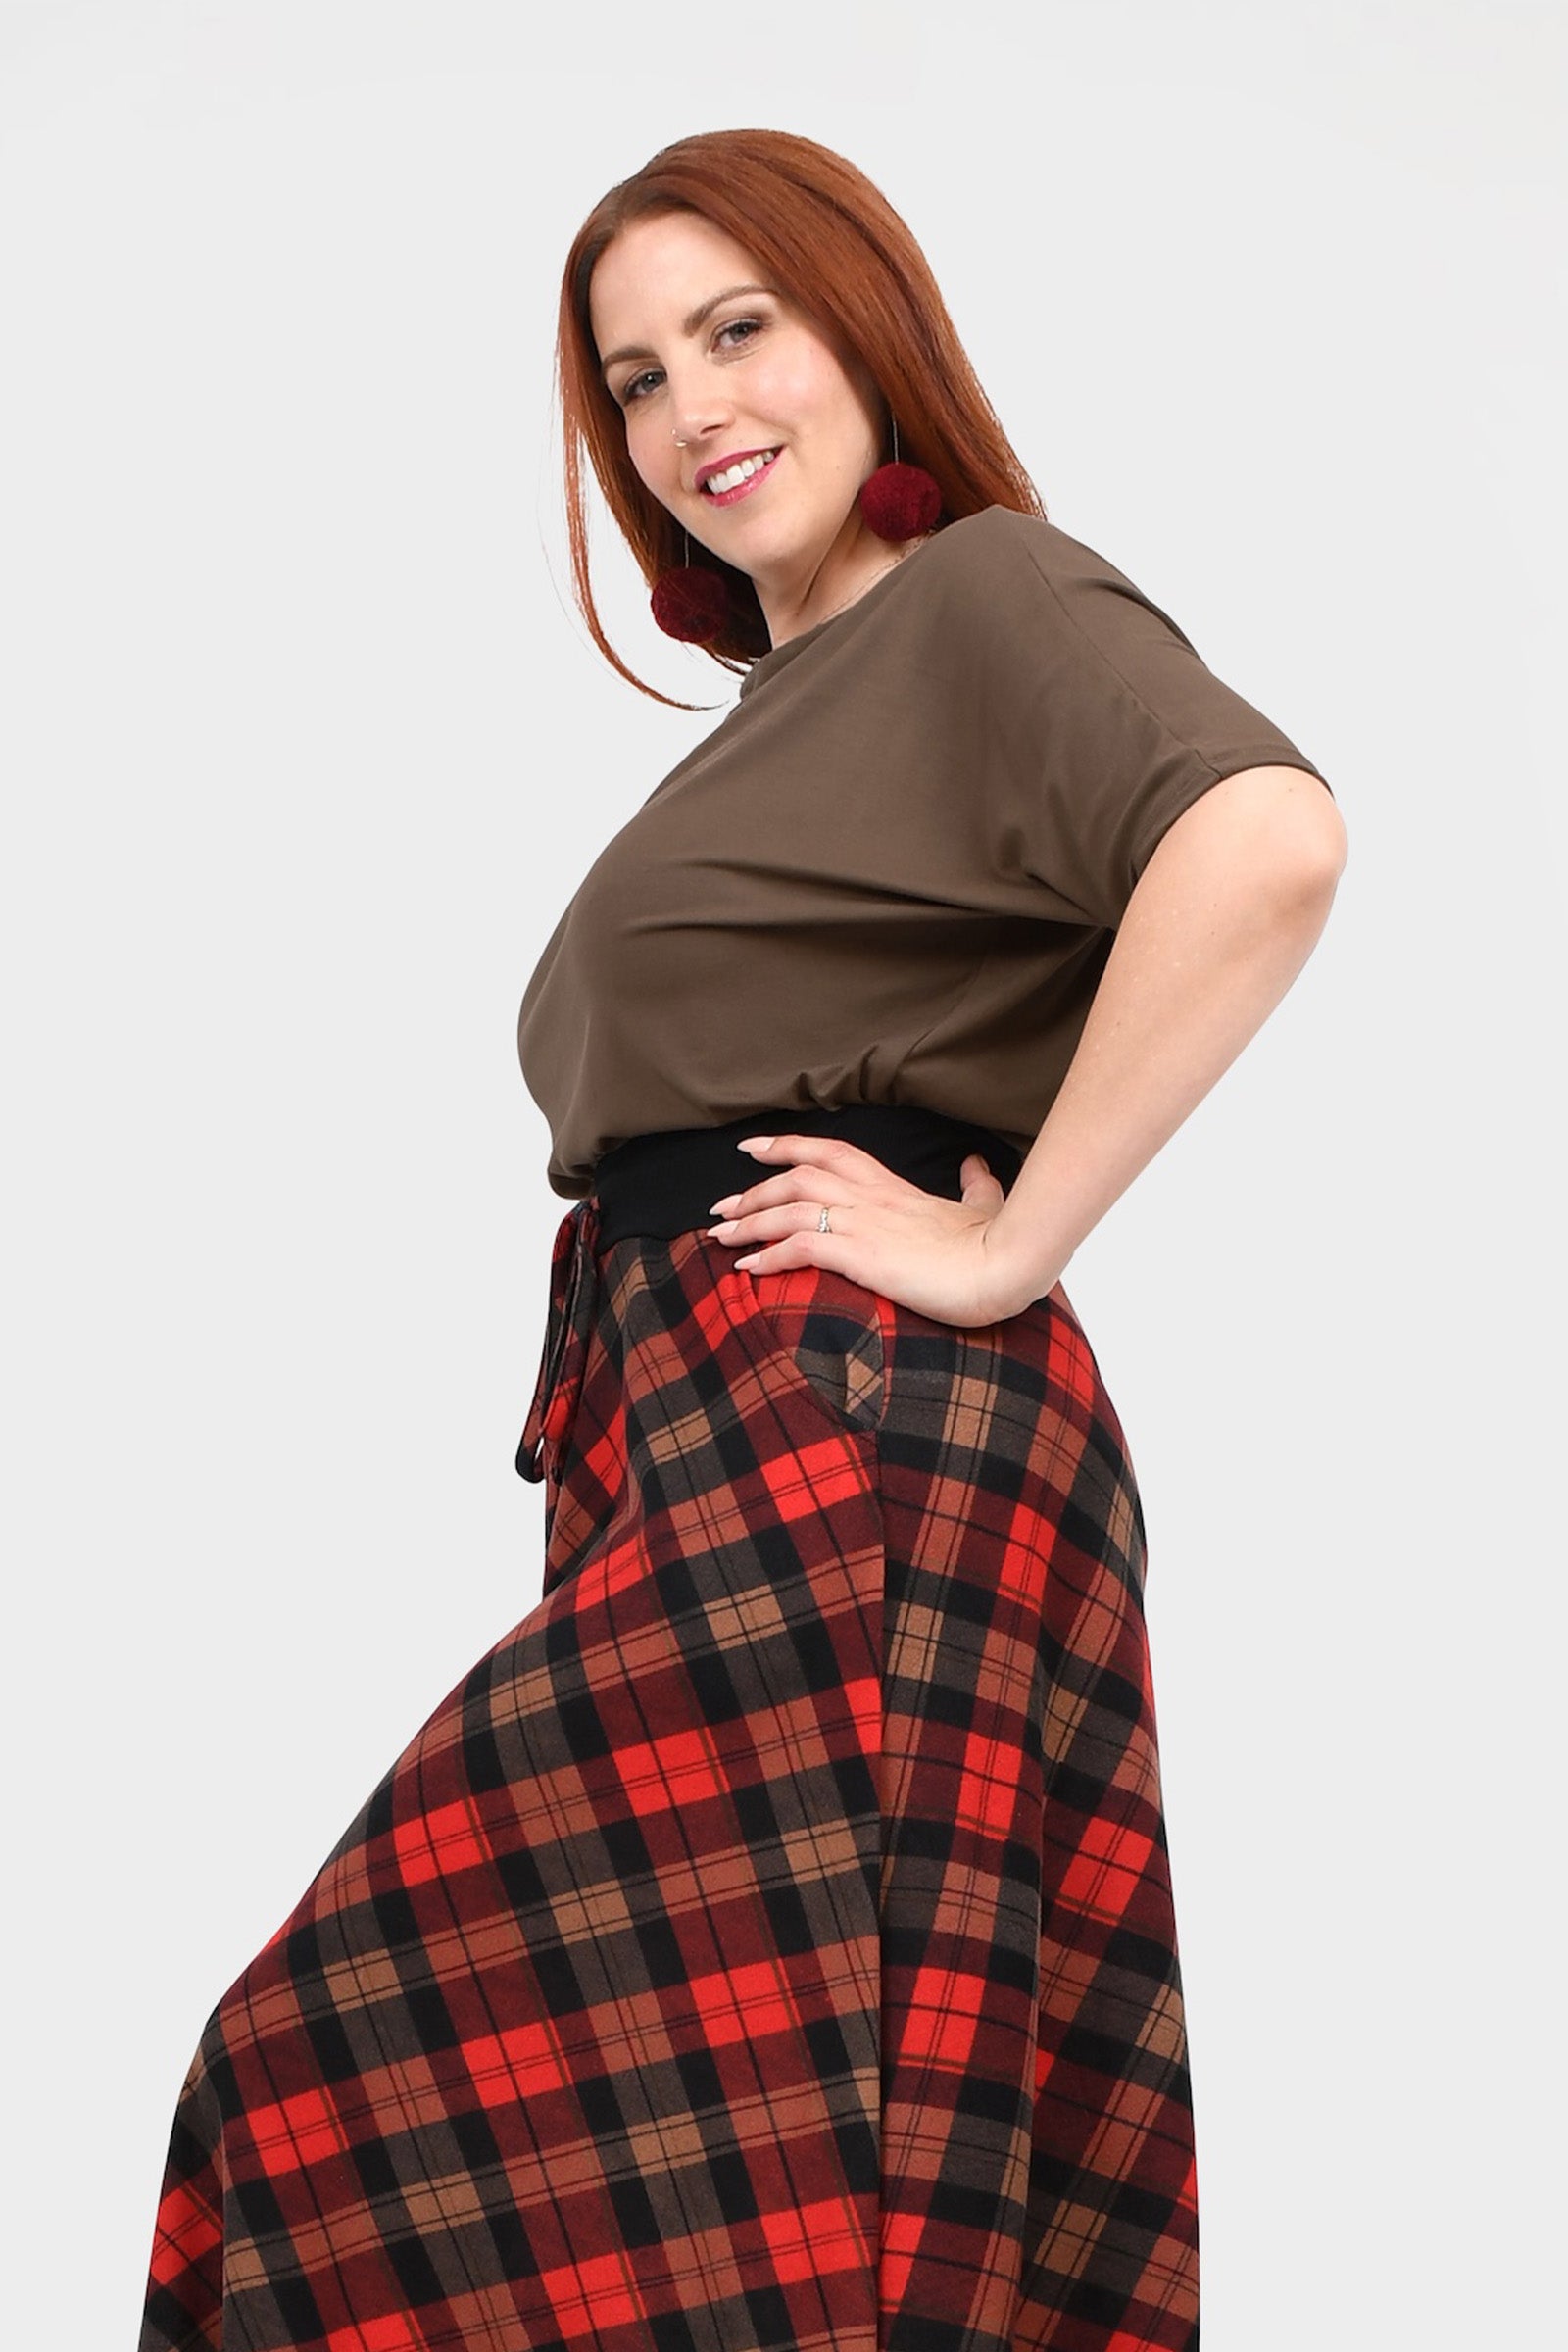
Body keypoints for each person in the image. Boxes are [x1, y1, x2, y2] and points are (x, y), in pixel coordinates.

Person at [137, 128, 1347, 2352]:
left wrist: (1006, 1248)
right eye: (632, 381)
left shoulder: (985, 595)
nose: (689, 410)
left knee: (359, 2094)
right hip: (722, 1435)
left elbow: (1265, 837)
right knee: (728, 2182)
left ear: (862, 327)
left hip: (847, 1436)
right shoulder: (793, 711)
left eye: (736, 329)